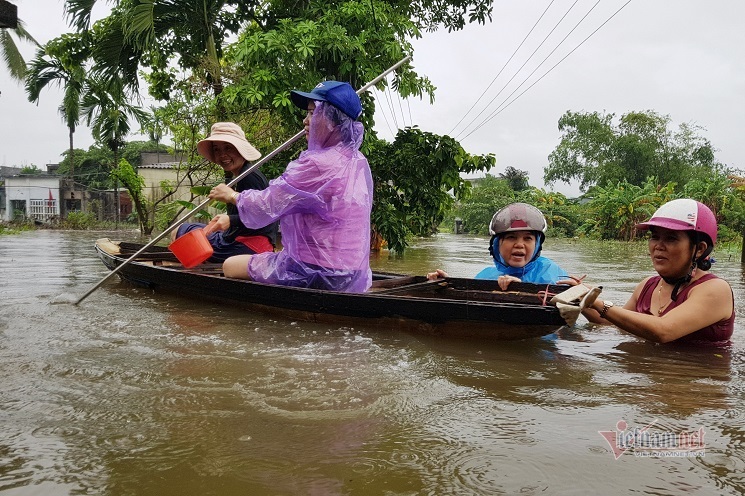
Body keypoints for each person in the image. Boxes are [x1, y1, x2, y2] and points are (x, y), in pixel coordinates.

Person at [208, 81, 373, 293]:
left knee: (229, 266)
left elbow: (267, 205)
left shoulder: (316, 164)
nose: (305, 121)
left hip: (311, 271)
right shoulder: (358, 161)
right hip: (354, 275)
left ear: (333, 121)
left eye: (313, 113)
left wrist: (232, 196)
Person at [584, 199, 734, 345]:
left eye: (671, 239)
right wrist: (580, 299)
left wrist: (598, 303)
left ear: (699, 249)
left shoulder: (716, 289)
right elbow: (611, 323)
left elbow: (663, 331)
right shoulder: (647, 286)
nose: (658, 246)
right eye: (654, 237)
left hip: (695, 371)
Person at [171, 122, 278, 262]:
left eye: (228, 148)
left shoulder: (249, 177)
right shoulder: (238, 176)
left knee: (179, 231)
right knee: (190, 230)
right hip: (236, 239)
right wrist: (229, 219)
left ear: (240, 149)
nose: (222, 155)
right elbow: (247, 212)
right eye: (217, 150)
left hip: (249, 245)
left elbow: (264, 214)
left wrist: (231, 220)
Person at [428, 203, 577, 290]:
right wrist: (448, 284)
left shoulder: (552, 273)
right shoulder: (486, 276)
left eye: (528, 238)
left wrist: (522, 289)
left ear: (537, 245)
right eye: (511, 237)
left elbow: (599, 321)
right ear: (497, 245)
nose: (519, 244)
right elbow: (467, 302)